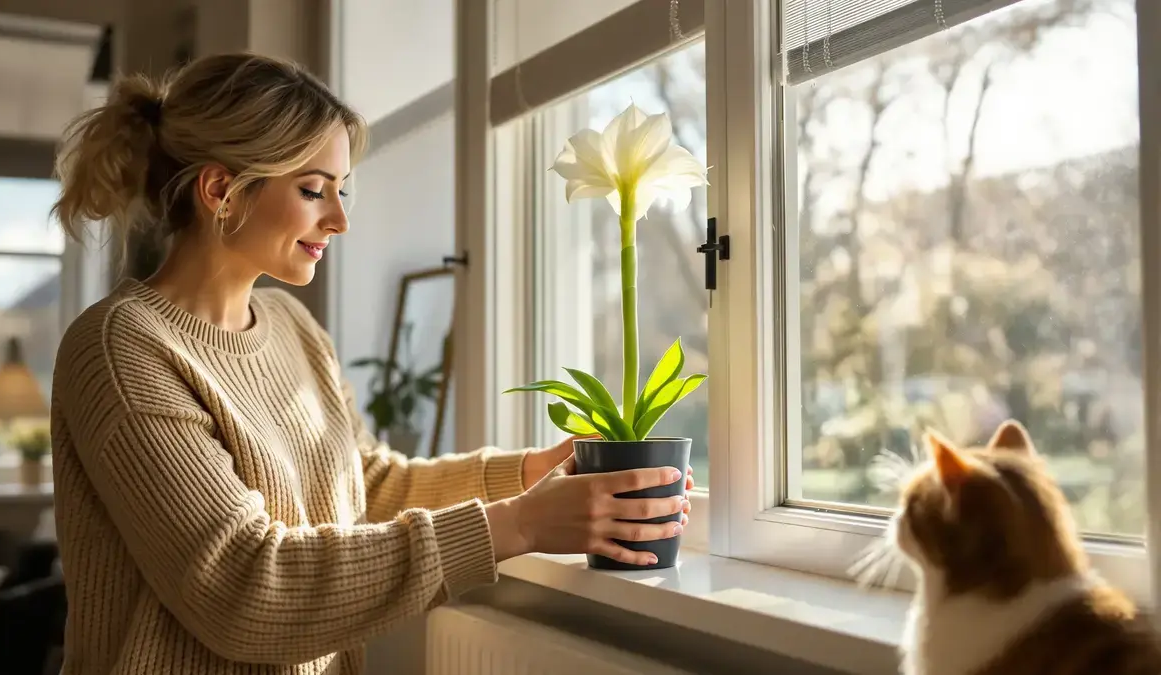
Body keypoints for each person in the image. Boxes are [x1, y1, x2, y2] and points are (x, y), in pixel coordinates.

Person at [47, 52, 694, 674]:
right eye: (312, 189)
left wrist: (528, 475)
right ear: (221, 189)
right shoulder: (120, 347)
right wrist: (518, 524)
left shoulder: (292, 327)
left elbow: (365, 486)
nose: (338, 220)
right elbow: (243, 587)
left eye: (342, 192)